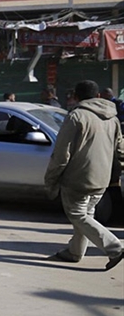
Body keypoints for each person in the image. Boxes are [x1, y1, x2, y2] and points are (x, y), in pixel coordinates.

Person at [44, 80, 124, 271]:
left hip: (78, 177)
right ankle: (75, 252)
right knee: (86, 214)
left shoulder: (76, 116)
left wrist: (51, 179)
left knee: (78, 214)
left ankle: (114, 248)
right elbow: (120, 150)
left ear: (75, 97)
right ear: (98, 96)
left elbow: (62, 154)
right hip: (102, 177)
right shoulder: (112, 118)